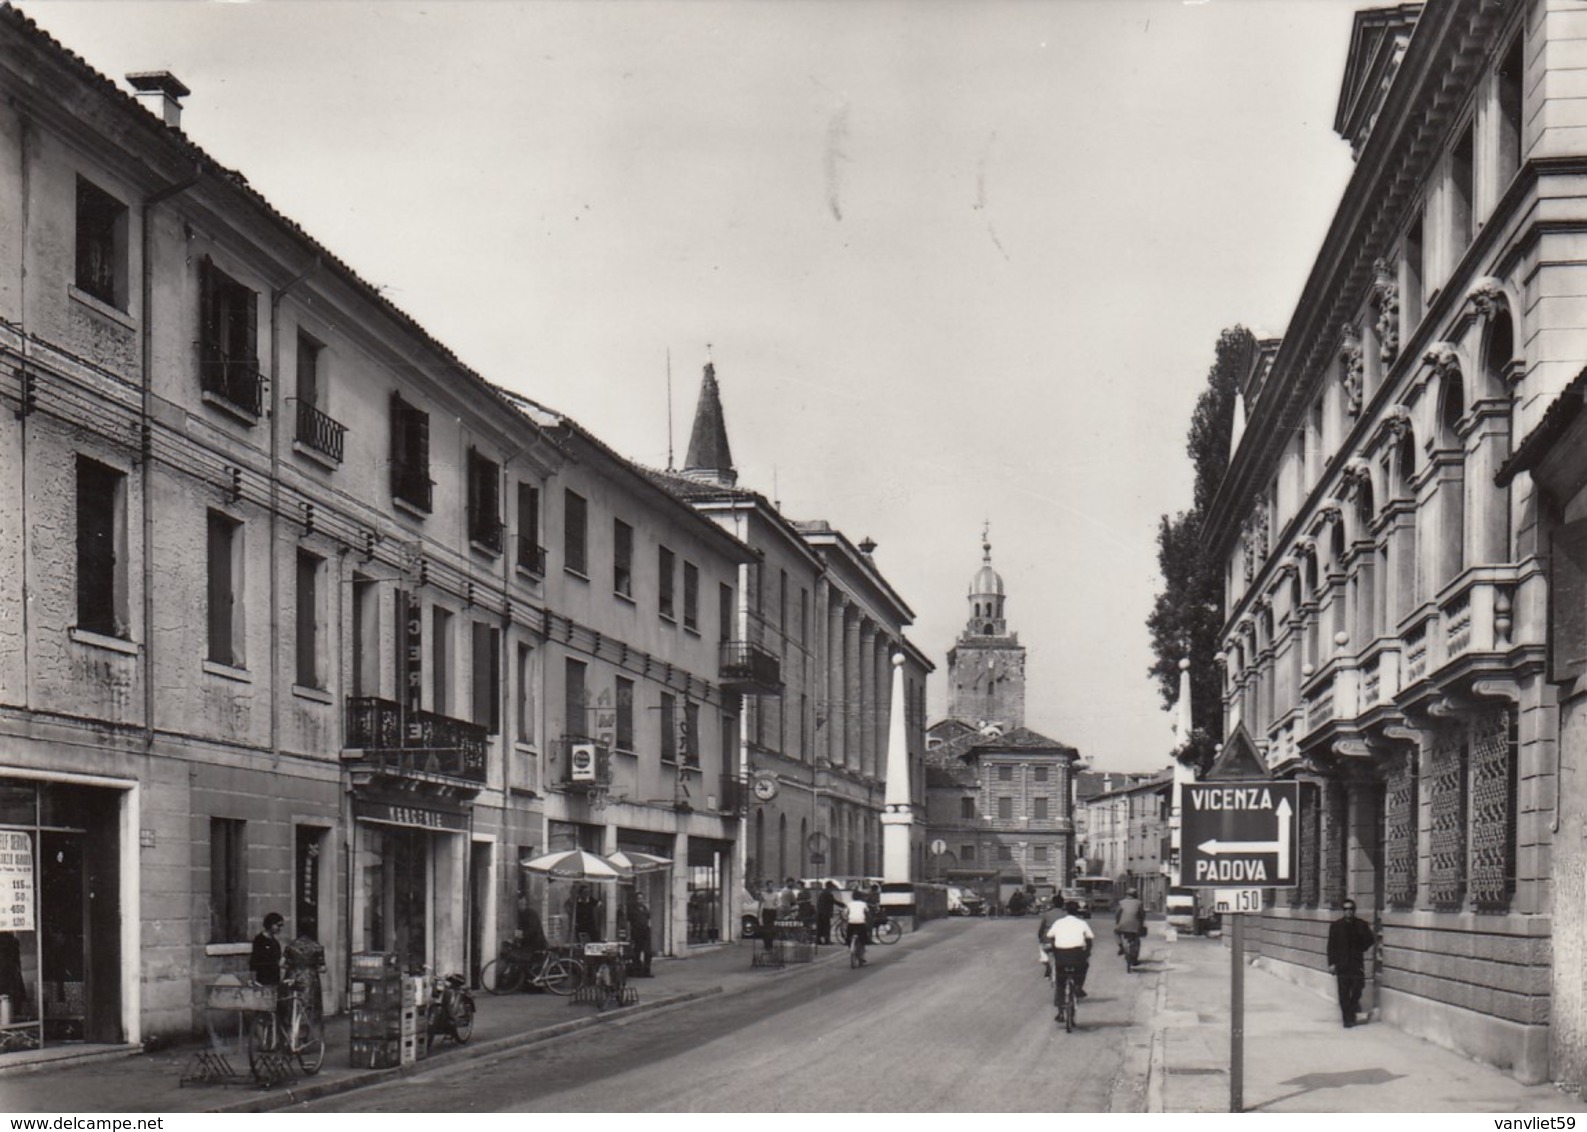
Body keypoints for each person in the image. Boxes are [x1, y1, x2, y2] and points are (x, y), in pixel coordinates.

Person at [1327, 899, 1377, 1028]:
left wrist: (1361, 948)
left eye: (1350, 909)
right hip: (1342, 965)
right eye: (1345, 909)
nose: (1348, 911)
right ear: (1343, 911)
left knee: (1357, 989)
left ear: (1354, 911)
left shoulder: (1361, 925)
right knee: (1343, 993)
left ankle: (1352, 1011)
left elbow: (1371, 940)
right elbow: (1331, 946)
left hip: (1356, 964)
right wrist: (1332, 963)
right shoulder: (1336, 926)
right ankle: (1347, 1019)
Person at [1040, 902, 1094, 1018]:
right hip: (1077, 955)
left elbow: (1050, 936)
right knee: (1083, 967)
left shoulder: (1059, 923)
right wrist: (1087, 953)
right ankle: (1079, 987)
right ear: (1078, 911)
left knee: (1061, 984)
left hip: (1061, 956)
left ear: (1065, 911)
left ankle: (1060, 1012)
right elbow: (1090, 938)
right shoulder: (1082, 923)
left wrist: (1056, 949)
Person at [250, 912, 285, 987]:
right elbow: (254, 960)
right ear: (270, 924)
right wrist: (254, 980)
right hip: (262, 979)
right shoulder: (259, 940)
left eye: (281, 926)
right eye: (278, 925)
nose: (279, 928)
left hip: (274, 979)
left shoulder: (275, 942)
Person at [1115, 888, 1146, 963]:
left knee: (1116, 932)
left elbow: (1117, 914)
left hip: (1123, 925)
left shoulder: (1121, 902)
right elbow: (1142, 915)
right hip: (1135, 926)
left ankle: (1121, 946)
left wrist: (1118, 922)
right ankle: (1135, 957)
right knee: (1136, 939)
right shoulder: (1139, 903)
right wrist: (1141, 924)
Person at [627, 892, 653, 977]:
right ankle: (638, 971)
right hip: (636, 933)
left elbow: (648, 918)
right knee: (636, 952)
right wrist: (629, 934)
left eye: (641, 898)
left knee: (648, 952)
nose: (640, 900)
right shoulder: (632, 909)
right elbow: (628, 922)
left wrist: (649, 926)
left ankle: (647, 970)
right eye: (638, 898)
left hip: (646, 932)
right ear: (635, 899)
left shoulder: (644, 908)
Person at [845, 887, 873, 964]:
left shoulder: (849, 904)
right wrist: (869, 921)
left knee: (848, 938)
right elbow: (867, 914)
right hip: (861, 923)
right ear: (861, 897)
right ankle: (862, 956)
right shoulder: (863, 904)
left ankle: (851, 947)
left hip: (851, 923)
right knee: (863, 940)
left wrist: (847, 919)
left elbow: (846, 914)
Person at [816, 881, 838, 945]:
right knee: (826, 927)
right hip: (825, 913)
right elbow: (834, 901)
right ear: (830, 887)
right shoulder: (828, 894)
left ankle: (818, 940)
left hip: (820, 912)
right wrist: (843, 905)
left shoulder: (822, 893)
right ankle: (827, 941)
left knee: (820, 927)